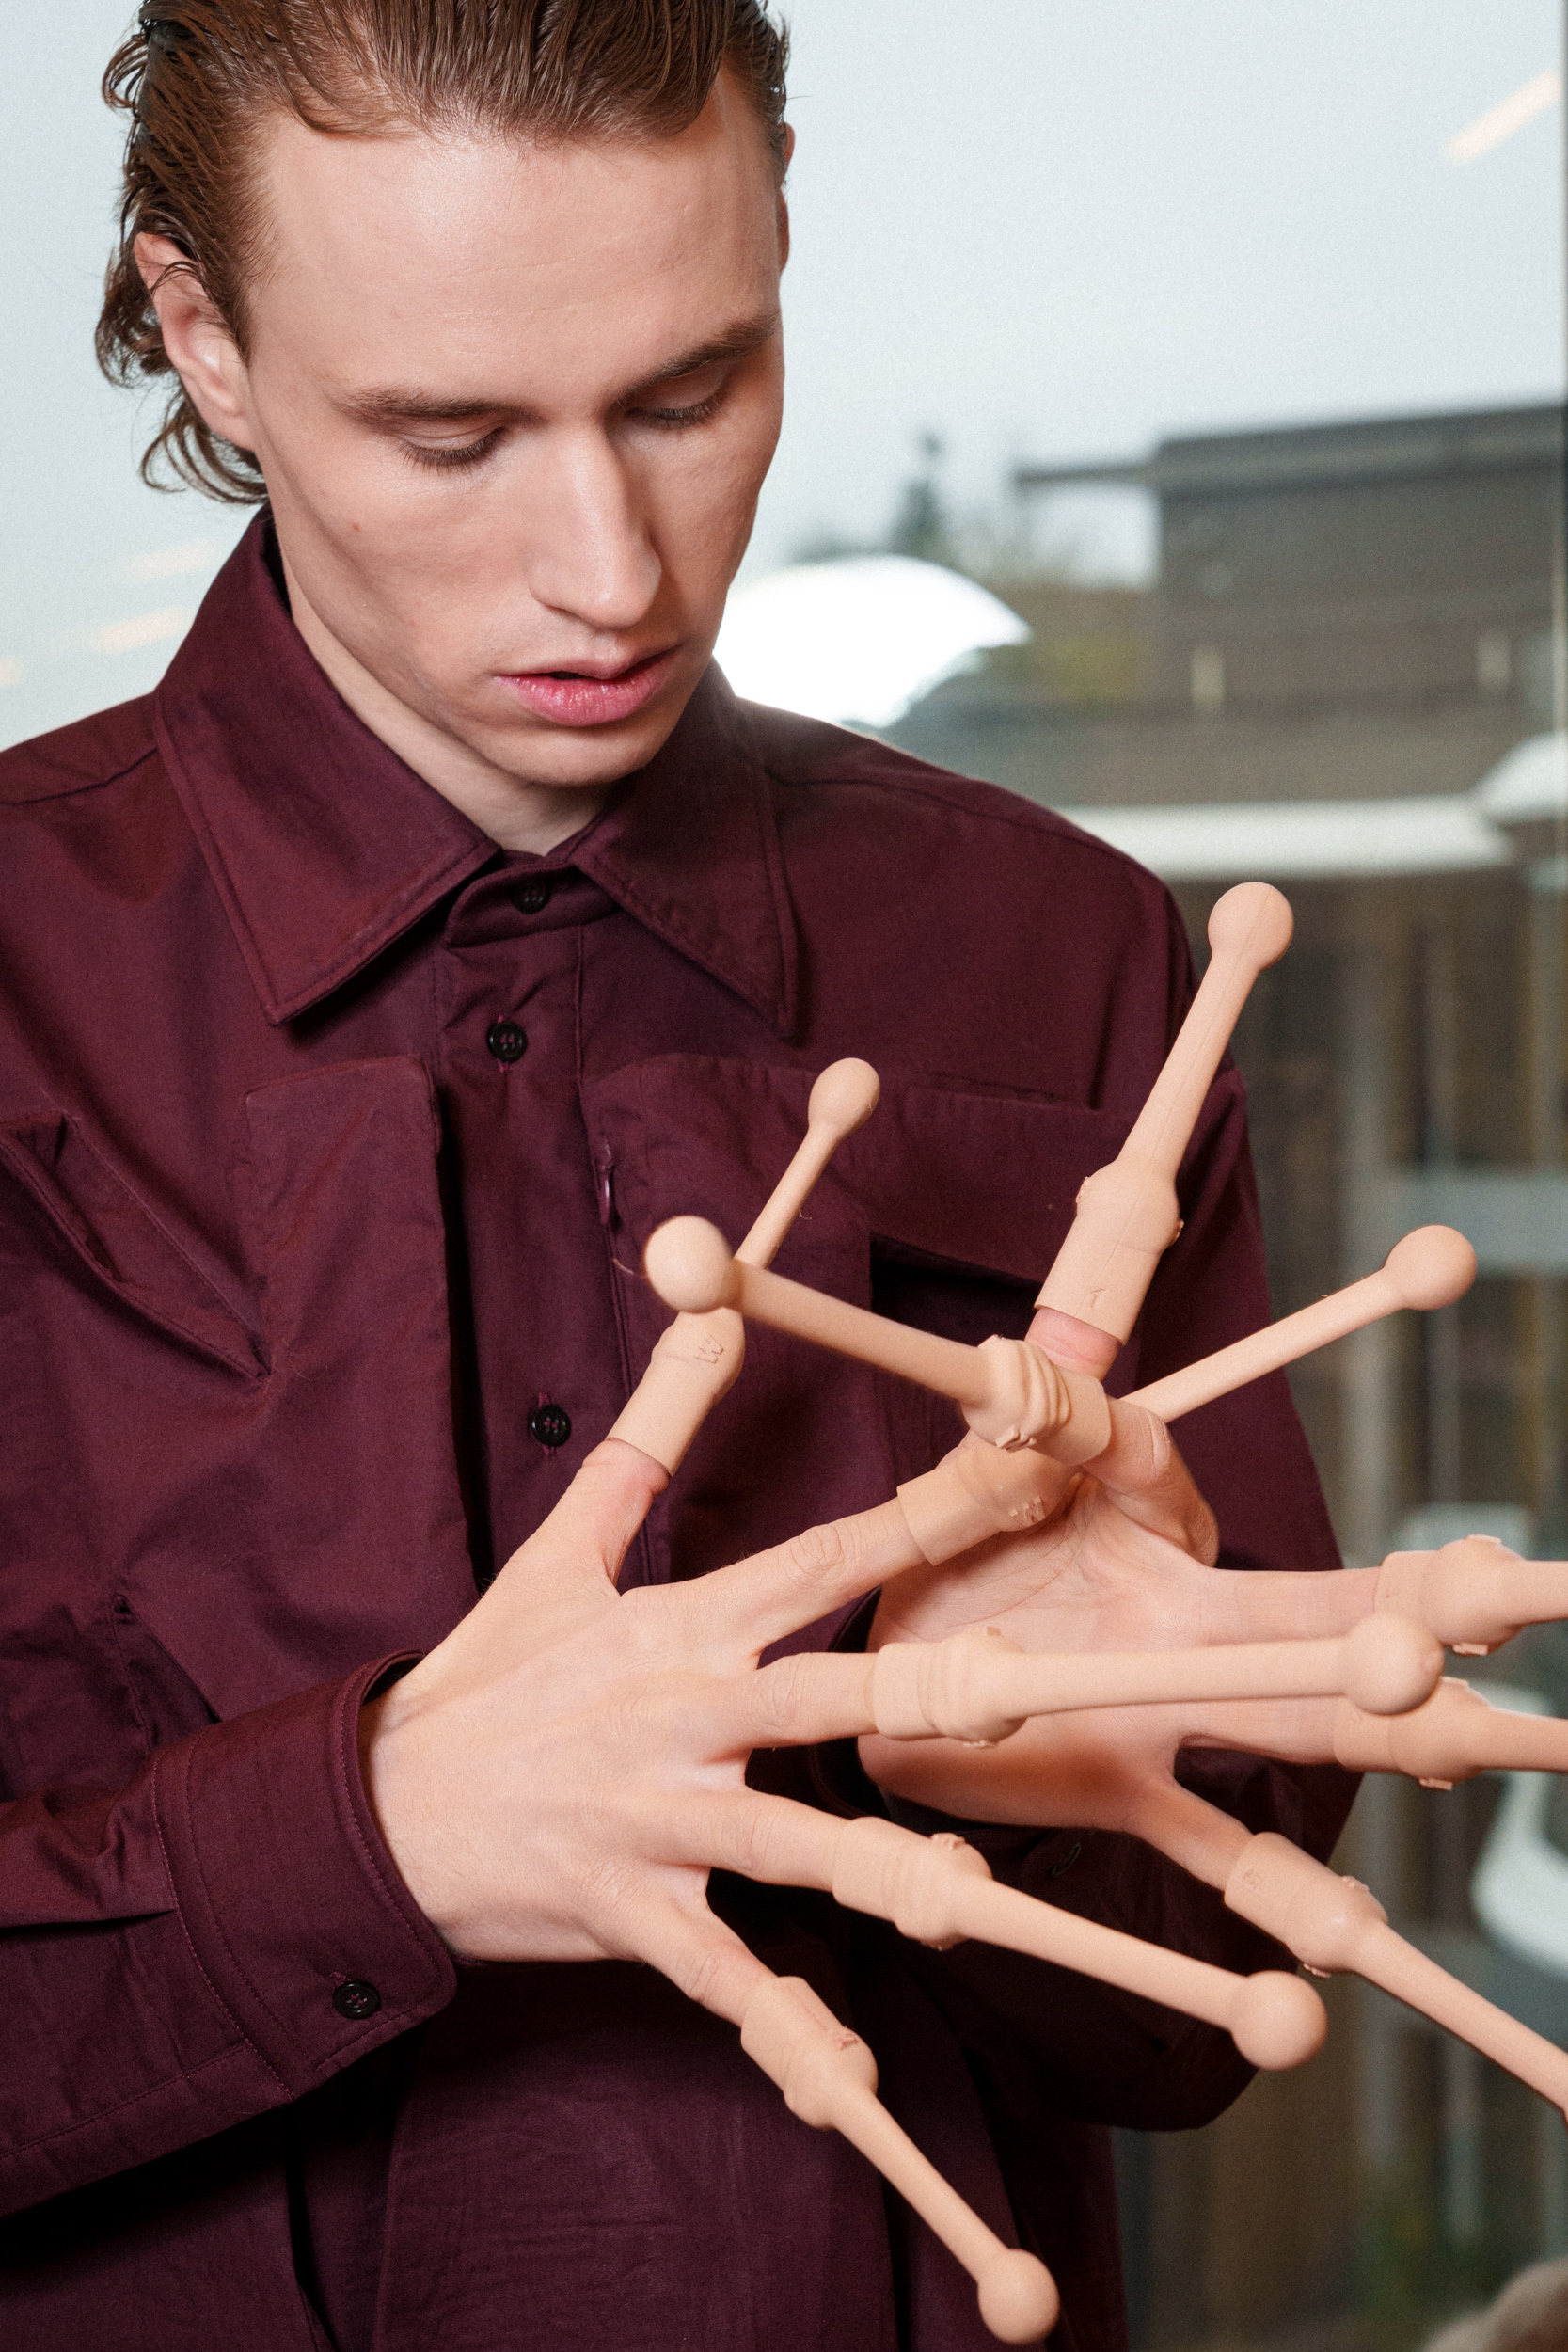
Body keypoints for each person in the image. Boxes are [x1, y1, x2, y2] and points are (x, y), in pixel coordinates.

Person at [0, 7, 1351, 2348]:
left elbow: (1207, 2020)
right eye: (454, 434)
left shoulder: (1074, 967)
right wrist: (380, 1834)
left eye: (690, 390)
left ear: (786, 233)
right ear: (207, 341)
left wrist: (1059, 1776)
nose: (609, 567)